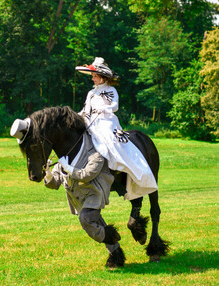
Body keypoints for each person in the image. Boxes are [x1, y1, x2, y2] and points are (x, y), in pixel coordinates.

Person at [75, 57, 157, 200]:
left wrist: (104, 108)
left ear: (102, 77)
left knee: (109, 139)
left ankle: (116, 169)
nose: (93, 79)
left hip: (107, 121)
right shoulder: (91, 93)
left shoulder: (111, 90)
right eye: (93, 76)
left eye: (95, 76)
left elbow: (115, 106)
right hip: (90, 121)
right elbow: (85, 111)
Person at [44, 132, 125, 267]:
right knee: (96, 222)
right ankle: (116, 254)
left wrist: (69, 168)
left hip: (94, 195)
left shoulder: (97, 154)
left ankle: (108, 235)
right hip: (78, 200)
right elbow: (55, 183)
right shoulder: (62, 161)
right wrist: (47, 172)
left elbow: (86, 175)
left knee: (86, 218)